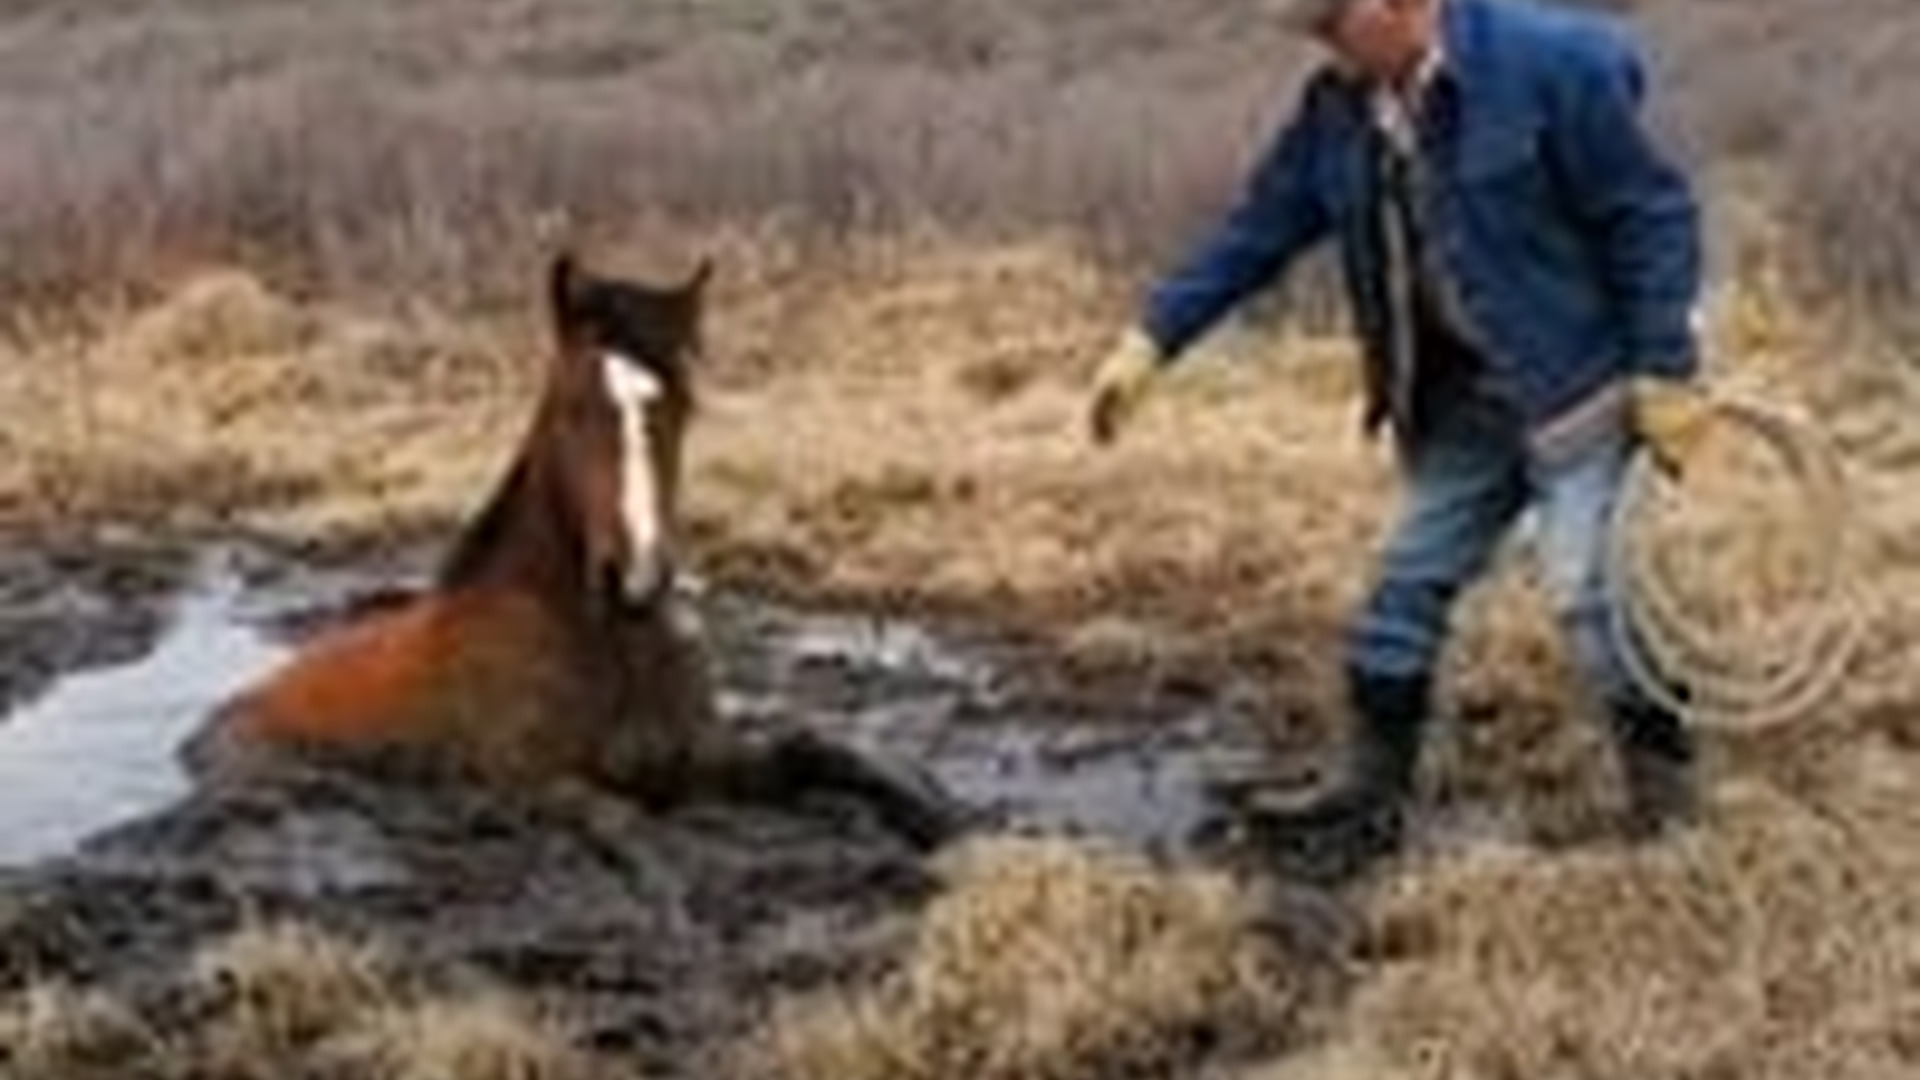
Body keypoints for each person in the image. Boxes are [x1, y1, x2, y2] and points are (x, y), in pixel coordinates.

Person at [1087, 0, 1714, 859]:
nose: (1326, 50)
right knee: (1404, 590)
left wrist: (1667, 365)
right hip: (1463, 404)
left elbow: (1650, 216)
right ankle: (1369, 803)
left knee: (1587, 601)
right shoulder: (1338, 110)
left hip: (1582, 390)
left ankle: (1669, 815)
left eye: (1334, 25)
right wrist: (1152, 340)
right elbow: (1258, 230)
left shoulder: (1556, 64)